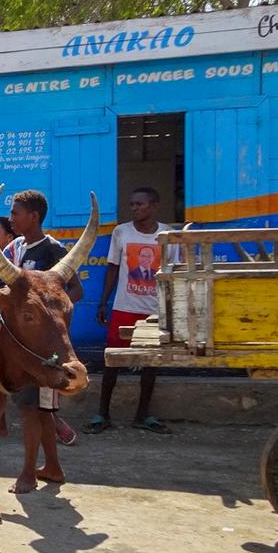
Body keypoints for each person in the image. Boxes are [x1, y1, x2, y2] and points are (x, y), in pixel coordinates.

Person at [2, 189, 82, 494]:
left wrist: (48, 313)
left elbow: (76, 290)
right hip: (23, 347)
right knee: (39, 409)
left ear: (33, 217)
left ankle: (28, 474)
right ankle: (53, 467)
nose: (11, 219)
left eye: (16, 213)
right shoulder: (16, 248)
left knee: (32, 410)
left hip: (45, 349)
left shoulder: (53, 250)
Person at [87, 186, 178, 434]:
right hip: (124, 307)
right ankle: (102, 414)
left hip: (154, 310)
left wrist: (172, 309)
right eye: (133, 204)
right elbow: (113, 268)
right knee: (112, 361)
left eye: (140, 204)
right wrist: (104, 302)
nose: (135, 208)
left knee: (150, 364)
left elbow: (174, 275)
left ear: (154, 206)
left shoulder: (169, 235)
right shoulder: (121, 232)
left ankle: (142, 414)